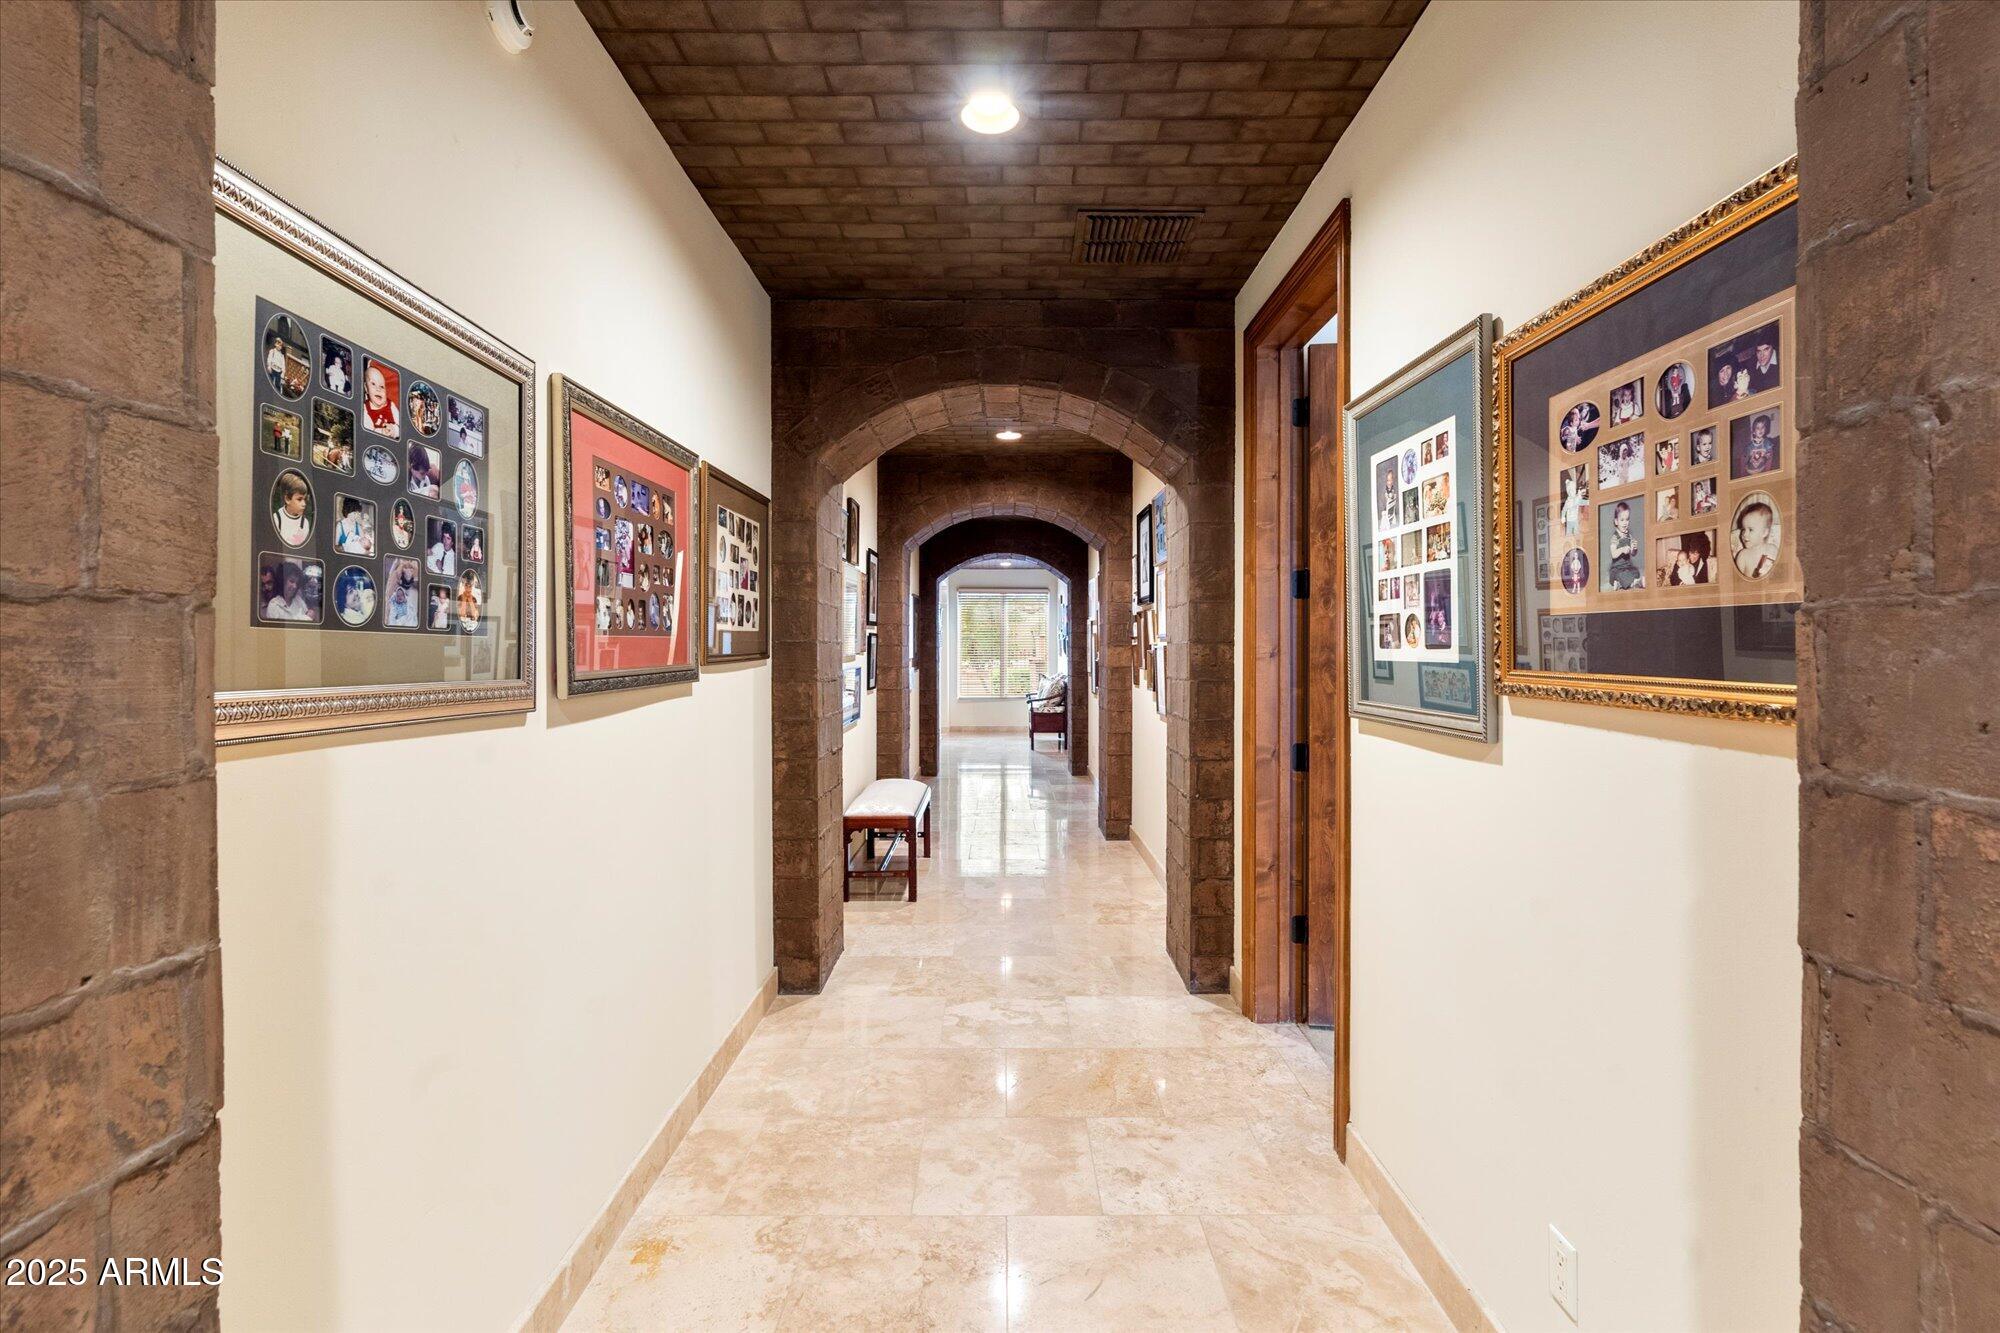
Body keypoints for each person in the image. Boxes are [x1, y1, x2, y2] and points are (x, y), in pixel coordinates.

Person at [1734, 501, 1780, 578]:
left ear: (1764, 532)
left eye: (1750, 530)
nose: (1744, 534)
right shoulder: (1743, 555)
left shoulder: (1773, 549)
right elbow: (1737, 582)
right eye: (1743, 529)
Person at [1605, 501, 1643, 589]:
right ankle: (1630, 583)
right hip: (1617, 569)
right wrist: (1622, 549)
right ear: (1616, 521)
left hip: (1627, 566)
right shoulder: (1615, 537)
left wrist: (1634, 548)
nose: (1625, 522)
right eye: (1622, 520)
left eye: (1627, 519)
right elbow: (1613, 554)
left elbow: (1633, 554)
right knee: (1621, 574)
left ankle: (1621, 583)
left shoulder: (1629, 535)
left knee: (1636, 571)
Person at [362, 362, 400, 436]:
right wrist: (382, 432)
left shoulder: (391, 404)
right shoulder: (365, 409)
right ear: (366, 388)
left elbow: (402, 426)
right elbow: (367, 431)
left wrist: (394, 430)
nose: (378, 389)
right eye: (373, 384)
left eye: (382, 386)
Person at [274, 472, 310, 546]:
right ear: (287, 499)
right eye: (299, 499)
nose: (304, 504)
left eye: (305, 499)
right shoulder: (277, 518)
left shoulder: (305, 523)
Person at [1560, 468, 1586, 535]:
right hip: (1570, 520)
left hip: (1576, 519)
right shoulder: (1568, 501)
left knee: (1576, 533)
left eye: (1573, 490)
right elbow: (1564, 509)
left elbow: (1580, 501)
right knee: (1569, 534)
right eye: (1571, 491)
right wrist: (1563, 517)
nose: (1573, 492)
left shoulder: (1576, 497)